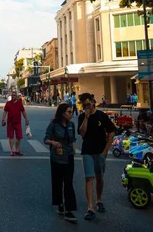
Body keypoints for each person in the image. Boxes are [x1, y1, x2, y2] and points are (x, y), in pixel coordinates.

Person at [78, 92, 115, 220]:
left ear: (93, 102)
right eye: (84, 106)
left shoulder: (101, 116)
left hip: (100, 151)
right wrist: (86, 118)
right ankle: (90, 207)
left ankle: (98, 200)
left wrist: (106, 150)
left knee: (99, 177)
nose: (86, 107)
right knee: (89, 178)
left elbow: (111, 131)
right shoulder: (82, 117)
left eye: (88, 104)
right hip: (87, 150)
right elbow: (82, 133)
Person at [44, 103, 77, 222]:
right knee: (57, 182)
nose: (71, 114)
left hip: (68, 157)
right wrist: (53, 143)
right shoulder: (53, 125)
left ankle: (69, 210)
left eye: (71, 112)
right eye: (69, 112)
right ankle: (59, 204)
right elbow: (46, 139)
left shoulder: (71, 125)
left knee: (68, 183)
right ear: (62, 113)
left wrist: (74, 150)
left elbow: (73, 140)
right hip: (57, 158)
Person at [2, 91, 29, 156]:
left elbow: (23, 112)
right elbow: (5, 112)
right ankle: (12, 151)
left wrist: (26, 119)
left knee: (19, 137)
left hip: (18, 123)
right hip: (10, 123)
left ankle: (17, 150)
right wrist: (3, 119)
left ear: (16, 96)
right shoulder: (8, 103)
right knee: (11, 137)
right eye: (12, 95)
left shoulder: (19, 103)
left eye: (14, 95)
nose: (13, 96)